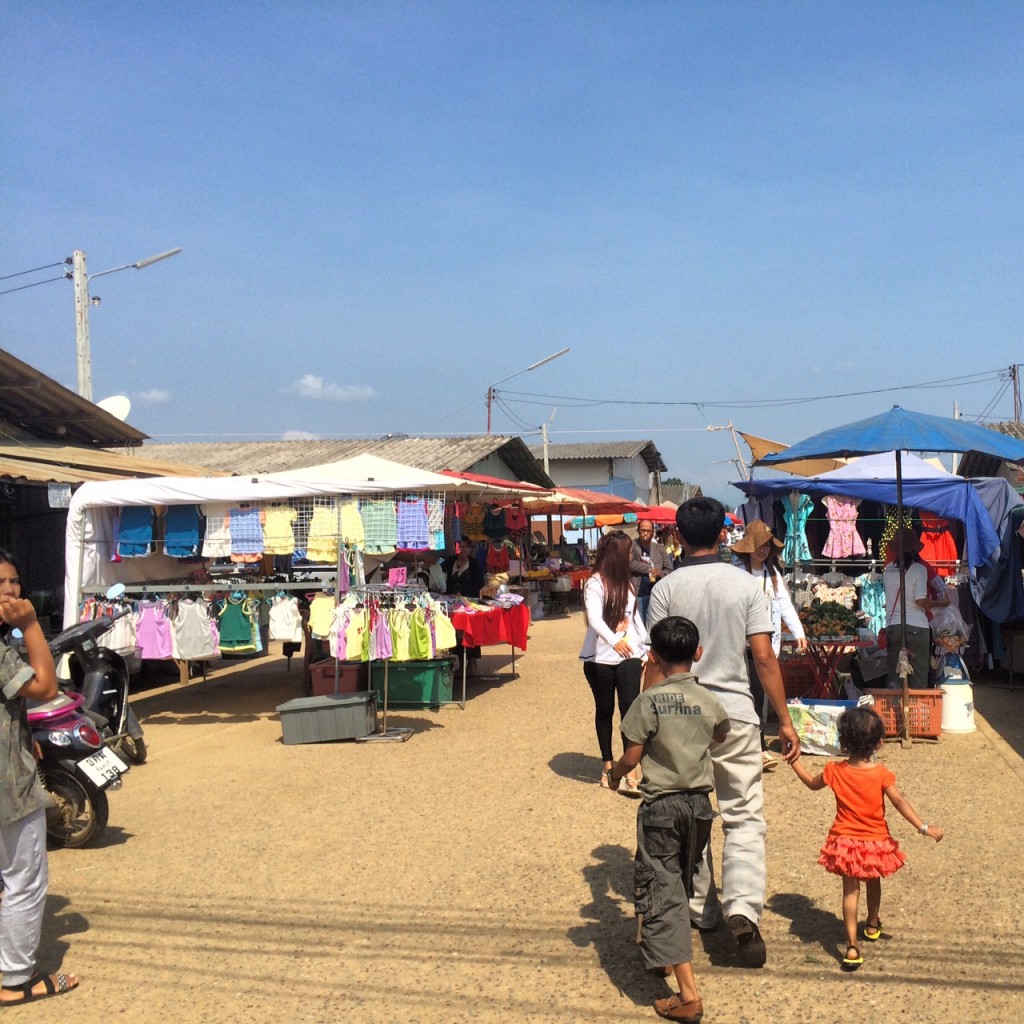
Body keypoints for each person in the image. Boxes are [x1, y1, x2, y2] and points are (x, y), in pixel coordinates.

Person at [647, 497, 800, 968]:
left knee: (693, 815)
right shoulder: (747, 586)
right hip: (735, 712)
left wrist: (644, 726)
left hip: (678, 716)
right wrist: (786, 719)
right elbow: (764, 657)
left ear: (678, 536)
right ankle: (742, 907)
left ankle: (702, 910)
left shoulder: (665, 590)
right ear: (722, 536)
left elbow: (654, 662)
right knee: (744, 814)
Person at [607, 617, 729, 1023]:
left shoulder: (648, 703)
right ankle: (663, 955)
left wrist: (614, 775)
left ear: (653, 657)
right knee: (680, 880)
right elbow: (721, 735)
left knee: (664, 892)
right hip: (698, 806)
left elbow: (632, 756)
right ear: (698, 654)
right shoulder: (709, 700)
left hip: (661, 807)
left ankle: (688, 995)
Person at [790, 704, 943, 971]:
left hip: (845, 842)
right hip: (875, 841)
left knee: (850, 892)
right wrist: (923, 827)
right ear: (879, 744)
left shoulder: (833, 771)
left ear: (844, 741)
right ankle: (872, 923)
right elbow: (900, 802)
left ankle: (851, 947)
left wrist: (795, 762)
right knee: (873, 882)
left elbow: (811, 784)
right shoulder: (881, 774)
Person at [0, 549, 79, 1005]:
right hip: (8, 786)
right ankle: (15, 982)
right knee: (24, 880)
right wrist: (30, 625)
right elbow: (46, 687)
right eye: (1, 585)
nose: (12, 591)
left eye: (15, 582)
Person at [730, 520, 808, 769]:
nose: (762, 551)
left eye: (765, 546)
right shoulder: (736, 571)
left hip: (764, 644)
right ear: (748, 547)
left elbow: (784, 604)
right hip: (739, 644)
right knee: (743, 695)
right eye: (758, 546)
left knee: (758, 694)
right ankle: (752, 746)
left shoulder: (772, 574)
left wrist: (798, 631)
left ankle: (758, 747)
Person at [580, 531, 648, 797]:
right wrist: (613, 640)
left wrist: (644, 648)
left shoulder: (628, 585)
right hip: (600, 658)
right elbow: (594, 619)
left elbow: (635, 619)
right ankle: (607, 763)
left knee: (630, 711)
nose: (631, 556)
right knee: (605, 709)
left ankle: (629, 767)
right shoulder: (595, 583)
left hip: (628, 656)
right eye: (628, 552)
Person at [883, 528, 944, 689]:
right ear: (915, 549)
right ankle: (917, 712)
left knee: (895, 676)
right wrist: (940, 603)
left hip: (894, 626)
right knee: (918, 676)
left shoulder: (888, 569)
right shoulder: (920, 569)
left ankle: (895, 711)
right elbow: (921, 601)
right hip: (917, 628)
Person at [444, 542, 484, 674]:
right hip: (452, 602)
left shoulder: (474, 563)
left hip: (469, 602)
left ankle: (471, 662)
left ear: (470, 549)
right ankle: (461, 664)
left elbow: (480, 583)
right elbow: (439, 569)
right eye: (461, 547)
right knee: (456, 632)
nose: (464, 549)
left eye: (466, 547)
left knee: (470, 631)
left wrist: (465, 591)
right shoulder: (450, 561)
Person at [630, 520, 675, 624]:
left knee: (654, 624)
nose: (645, 533)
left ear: (653, 532)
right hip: (638, 593)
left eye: (648, 531)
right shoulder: (632, 546)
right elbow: (630, 564)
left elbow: (669, 569)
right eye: (643, 530)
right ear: (638, 531)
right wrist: (649, 569)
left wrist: (659, 573)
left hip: (655, 593)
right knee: (639, 624)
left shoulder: (659, 548)